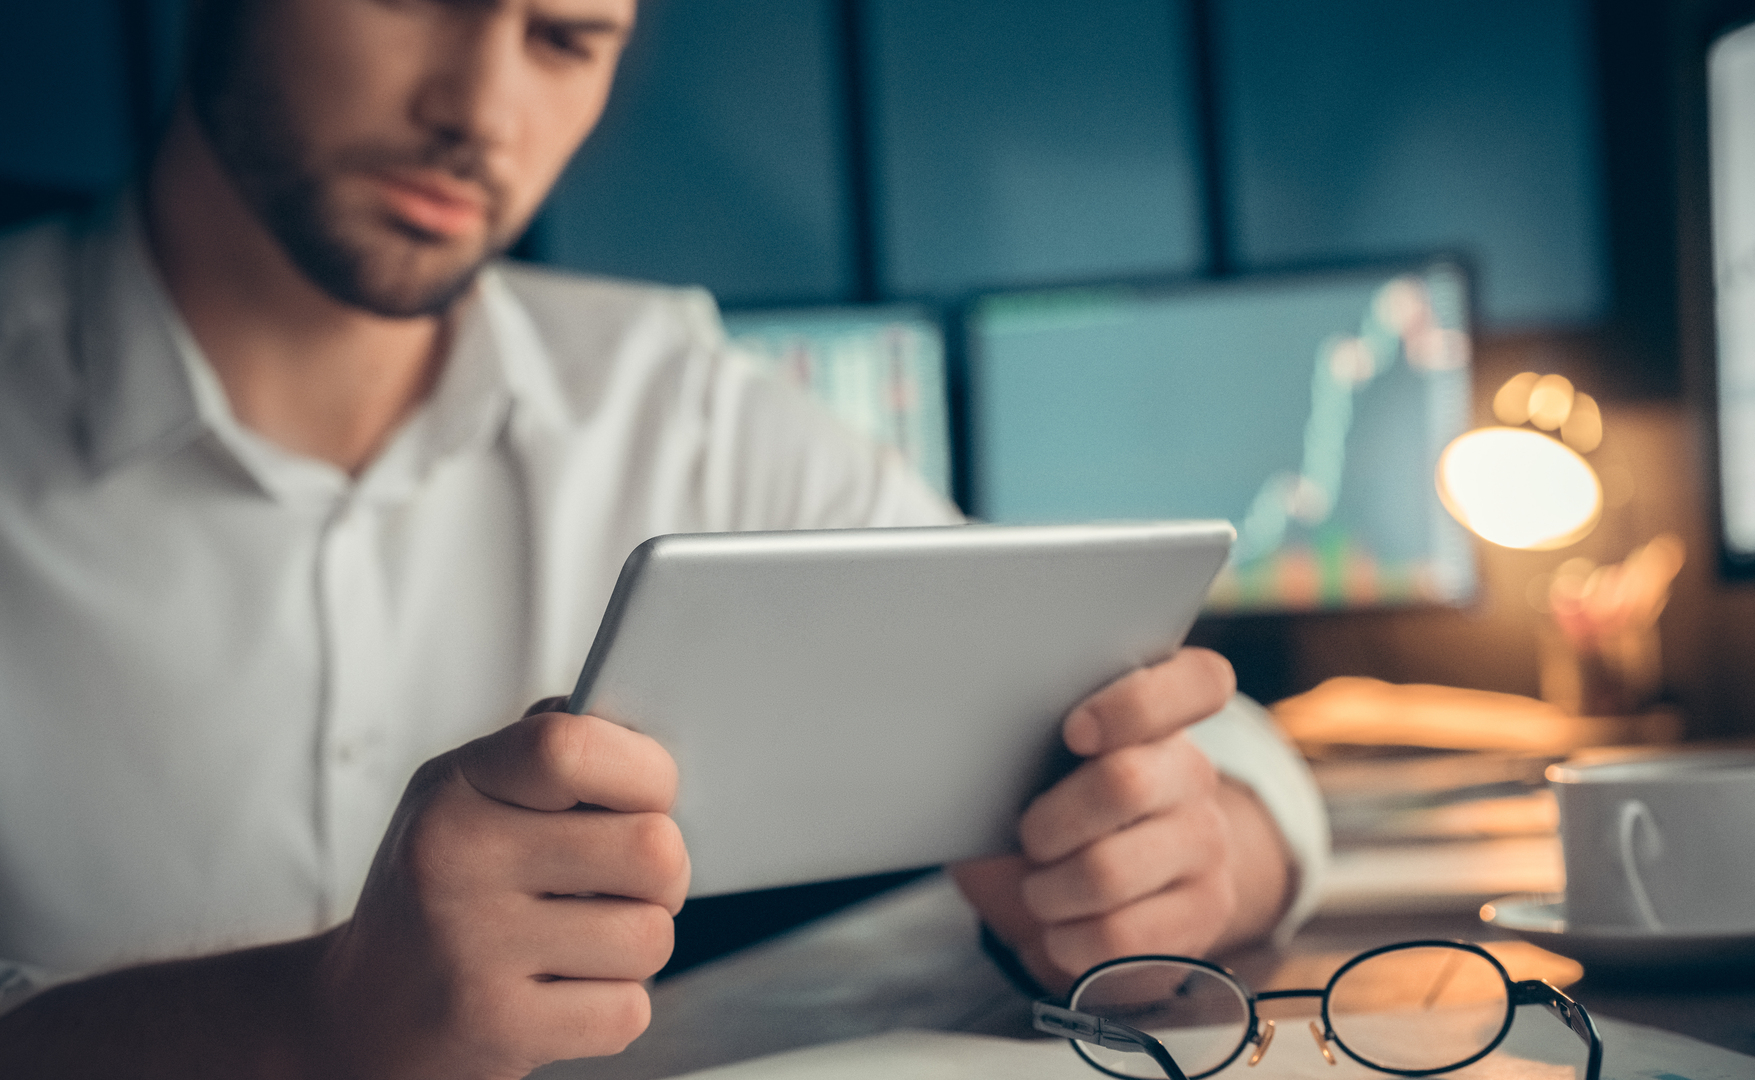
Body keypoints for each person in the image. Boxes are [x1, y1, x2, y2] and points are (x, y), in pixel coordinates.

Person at [0, 0, 1329, 1075]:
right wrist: (318, 1018)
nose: (479, 110)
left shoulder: (672, 400)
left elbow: (1189, 732)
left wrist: (1177, 865)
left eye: (564, 38)